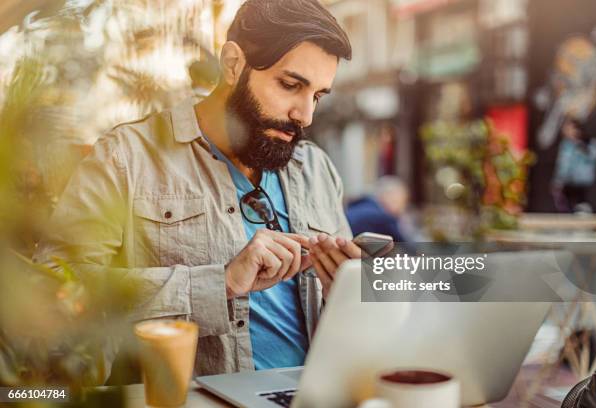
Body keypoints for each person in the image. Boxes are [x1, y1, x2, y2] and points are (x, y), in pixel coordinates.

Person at [34, 0, 360, 379]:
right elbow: (52, 290)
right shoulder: (127, 157)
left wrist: (349, 289)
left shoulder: (315, 168)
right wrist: (218, 283)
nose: (305, 115)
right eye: (290, 85)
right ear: (233, 64)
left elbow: (347, 312)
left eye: (318, 96)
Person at [551, 118, 596, 212]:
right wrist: (558, 180)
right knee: (563, 205)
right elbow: (562, 164)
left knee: (581, 205)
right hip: (566, 181)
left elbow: (593, 158)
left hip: (581, 181)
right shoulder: (566, 145)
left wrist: (580, 145)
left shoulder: (590, 143)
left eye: (572, 129)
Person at [346, 176, 410, 243]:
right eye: (400, 202)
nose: (401, 209)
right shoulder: (383, 217)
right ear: (389, 196)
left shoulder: (361, 205)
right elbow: (404, 245)